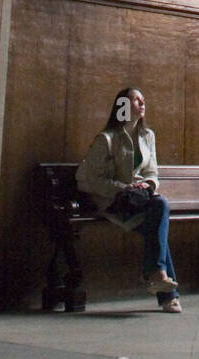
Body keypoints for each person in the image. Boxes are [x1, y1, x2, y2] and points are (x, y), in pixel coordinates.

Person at [76, 87, 181, 312]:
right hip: (114, 202)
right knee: (158, 224)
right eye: (136, 99)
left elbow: (153, 171)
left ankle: (158, 276)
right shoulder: (106, 139)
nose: (142, 103)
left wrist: (148, 185)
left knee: (159, 210)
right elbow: (94, 179)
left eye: (143, 99)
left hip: (139, 199)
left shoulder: (147, 136)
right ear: (122, 106)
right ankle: (167, 294)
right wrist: (124, 188)